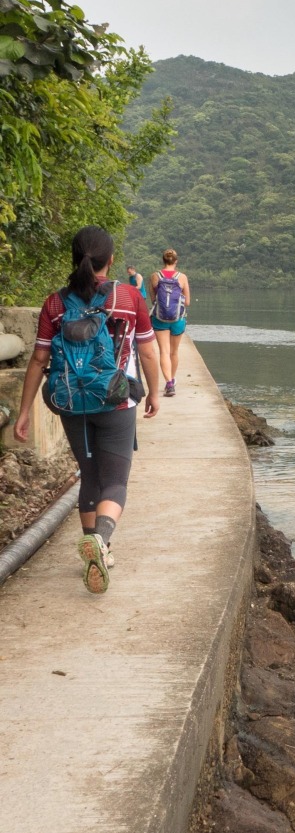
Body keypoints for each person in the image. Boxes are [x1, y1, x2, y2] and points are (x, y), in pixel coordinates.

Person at [14, 226, 160, 595]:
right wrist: (155, 392)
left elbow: (38, 359)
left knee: (89, 475)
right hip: (116, 401)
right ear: (110, 260)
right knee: (115, 481)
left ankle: (91, 548)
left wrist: (24, 411)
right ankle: (102, 543)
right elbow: (147, 351)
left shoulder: (54, 303)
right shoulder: (128, 298)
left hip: (70, 402)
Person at [149, 248, 190, 397]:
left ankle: (169, 384)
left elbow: (153, 300)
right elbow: (188, 302)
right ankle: (172, 379)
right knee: (174, 352)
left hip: (160, 319)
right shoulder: (182, 277)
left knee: (164, 352)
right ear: (176, 261)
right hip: (177, 319)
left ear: (163, 260)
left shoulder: (155, 276)